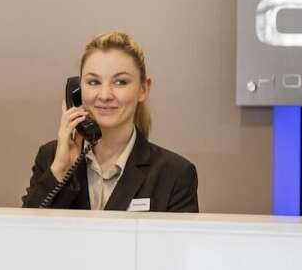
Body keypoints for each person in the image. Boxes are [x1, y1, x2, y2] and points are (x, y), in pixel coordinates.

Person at [22, 31, 198, 212]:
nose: (105, 95)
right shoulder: (51, 158)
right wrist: (60, 170)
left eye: (120, 82)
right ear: (77, 90)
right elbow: (24, 228)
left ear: (143, 89)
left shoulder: (175, 174)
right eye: (93, 82)